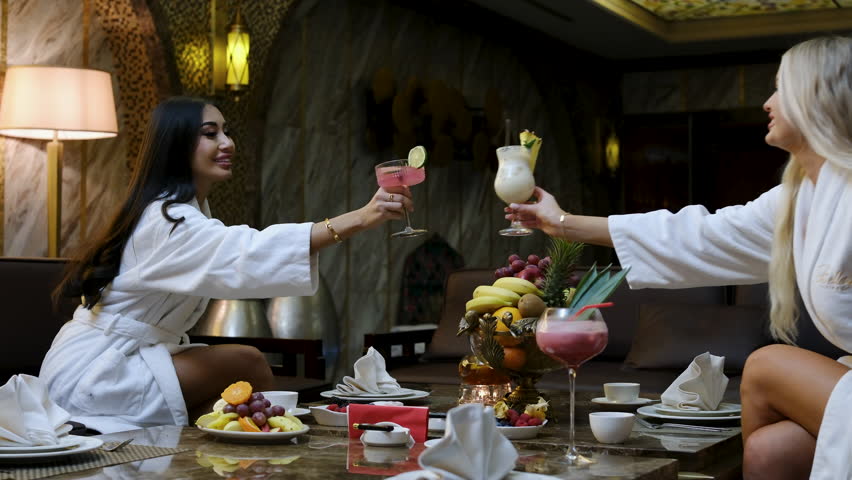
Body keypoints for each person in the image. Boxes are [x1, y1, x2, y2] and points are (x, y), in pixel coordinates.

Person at [507, 36, 851, 480]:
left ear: (815, 97)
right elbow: (700, 235)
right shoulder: (799, 199)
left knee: (767, 364)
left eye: (781, 88)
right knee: (771, 451)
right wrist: (561, 222)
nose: (767, 102)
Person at [40, 96, 414, 434]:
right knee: (247, 362)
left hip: (125, 361)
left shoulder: (182, 212)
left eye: (226, 131)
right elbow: (243, 251)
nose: (227, 143)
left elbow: (231, 250)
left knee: (224, 404)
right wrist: (362, 217)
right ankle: (273, 445)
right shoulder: (166, 220)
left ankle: (233, 458)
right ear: (177, 145)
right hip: (98, 373)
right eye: (210, 133)